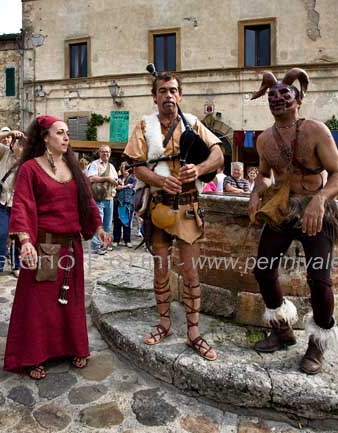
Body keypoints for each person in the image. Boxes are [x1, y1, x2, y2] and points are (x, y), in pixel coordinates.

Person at [248, 68, 338, 375]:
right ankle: (282, 329)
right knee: (263, 270)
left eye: (284, 94)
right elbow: (264, 175)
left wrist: (320, 199)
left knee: (319, 280)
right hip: (283, 209)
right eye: (272, 95)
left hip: (317, 210)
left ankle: (318, 343)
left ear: (298, 99)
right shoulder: (264, 139)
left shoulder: (316, 130)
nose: (277, 99)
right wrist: (255, 193)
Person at [123, 71, 223, 361]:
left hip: (189, 207)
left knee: (191, 273)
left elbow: (218, 154)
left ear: (179, 95)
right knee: (160, 270)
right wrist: (158, 180)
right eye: (163, 90)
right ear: (155, 96)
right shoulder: (144, 125)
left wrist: (200, 169)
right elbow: (136, 166)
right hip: (159, 209)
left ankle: (193, 332)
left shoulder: (192, 122)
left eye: (173, 90)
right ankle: (165, 324)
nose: (168, 95)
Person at [3, 115, 103, 379]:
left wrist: (99, 227)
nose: (66, 137)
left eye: (67, 132)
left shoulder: (74, 168)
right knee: (40, 305)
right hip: (45, 246)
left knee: (70, 301)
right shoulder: (30, 169)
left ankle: (73, 347)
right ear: (45, 137)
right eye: (60, 132)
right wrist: (26, 242)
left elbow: (87, 201)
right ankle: (34, 355)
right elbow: (23, 204)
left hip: (71, 248)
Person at [0, 127, 26, 281]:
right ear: (12, 144)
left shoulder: (30, 161)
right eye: (18, 143)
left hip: (19, 203)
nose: (20, 147)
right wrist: (9, 133)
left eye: (23, 144)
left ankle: (17, 265)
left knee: (18, 236)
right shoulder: (4, 153)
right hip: (1, 201)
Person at [86, 145, 117, 254]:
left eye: (107, 152)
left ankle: (106, 244)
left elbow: (116, 180)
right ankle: (96, 246)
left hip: (109, 197)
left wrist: (119, 182)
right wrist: (107, 178)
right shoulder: (94, 164)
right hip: (98, 198)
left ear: (110, 153)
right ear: (99, 153)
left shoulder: (112, 166)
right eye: (103, 152)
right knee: (98, 222)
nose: (105, 154)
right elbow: (91, 178)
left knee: (108, 224)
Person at [113, 162, 136, 247]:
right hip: (118, 202)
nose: (124, 170)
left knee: (127, 223)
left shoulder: (133, 179)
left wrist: (123, 186)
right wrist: (125, 186)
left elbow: (133, 188)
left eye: (126, 168)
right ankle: (116, 239)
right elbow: (117, 188)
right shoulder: (118, 178)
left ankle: (127, 240)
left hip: (128, 204)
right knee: (117, 222)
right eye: (123, 168)